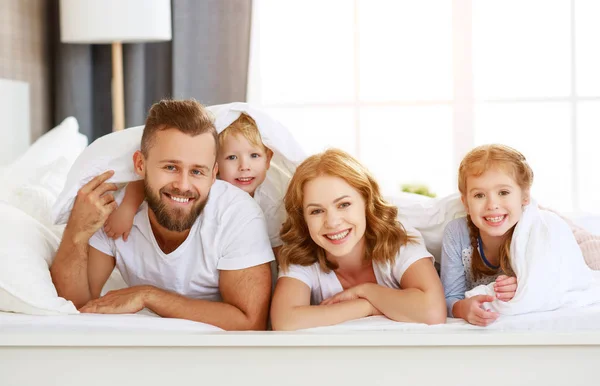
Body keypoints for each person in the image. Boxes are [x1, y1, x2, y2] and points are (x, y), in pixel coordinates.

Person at [50, 99, 274, 331]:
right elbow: (77, 306)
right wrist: (76, 231)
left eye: (197, 171)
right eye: (170, 167)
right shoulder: (114, 210)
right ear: (140, 164)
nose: (183, 185)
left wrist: (149, 296)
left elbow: (250, 323)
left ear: (213, 174)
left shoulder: (236, 213)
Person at [269, 149, 446, 330]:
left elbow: (433, 311)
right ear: (303, 219)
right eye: (316, 211)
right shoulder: (302, 253)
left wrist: (367, 291)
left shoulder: (398, 240)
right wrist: (367, 306)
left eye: (344, 205)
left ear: (367, 202)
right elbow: (285, 321)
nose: (332, 222)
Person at [103, 103, 304, 261]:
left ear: (268, 159)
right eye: (232, 158)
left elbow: (278, 252)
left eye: (254, 156)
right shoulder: (202, 182)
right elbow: (145, 182)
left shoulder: (272, 203)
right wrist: (127, 208)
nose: (245, 166)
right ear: (214, 165)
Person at [440, 144, 529, 326]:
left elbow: (550, 281)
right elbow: (449, 297)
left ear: (524, 196)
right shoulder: (457, 233)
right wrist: (461, 308)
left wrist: (523, 287)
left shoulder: (532, 231)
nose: (492, 204)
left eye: (503, 192)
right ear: (465, 202)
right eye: (479, 195)